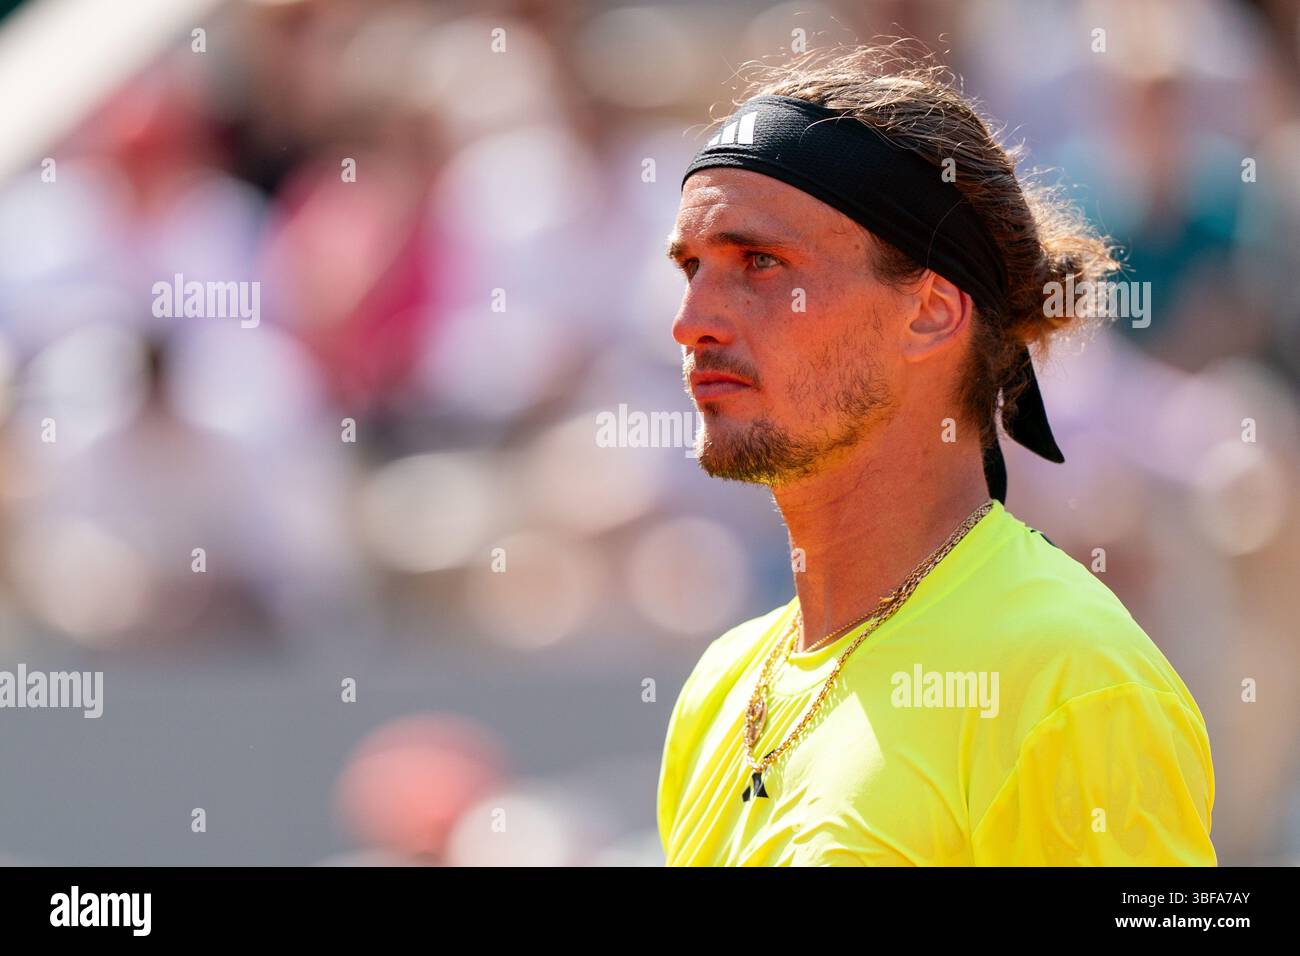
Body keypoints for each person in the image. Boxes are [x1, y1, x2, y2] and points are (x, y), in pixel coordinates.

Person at [656, 45, 1216, 866]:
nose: (691, 321)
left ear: (928, 313)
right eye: (691, 268)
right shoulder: (720, 685)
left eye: (762, 264)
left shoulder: (1072, 678)